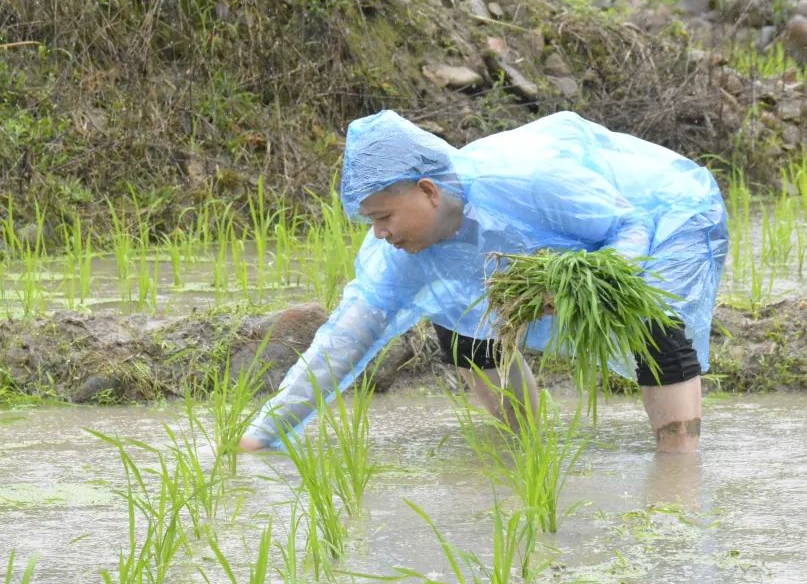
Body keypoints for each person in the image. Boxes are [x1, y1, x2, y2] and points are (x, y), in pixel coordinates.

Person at [239, 110, 727, 454]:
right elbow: (342, 343)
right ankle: (531, 447)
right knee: (462, 326)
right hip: (575, 241)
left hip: (668, 214)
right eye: (370, 221)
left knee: (653, 321)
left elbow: (631, 226)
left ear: (429, 191)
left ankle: (678, 463)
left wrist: (586, 284)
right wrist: (263, 432)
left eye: (383, 216)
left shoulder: (530, 183)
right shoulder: (399, 256)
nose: (379, 233)